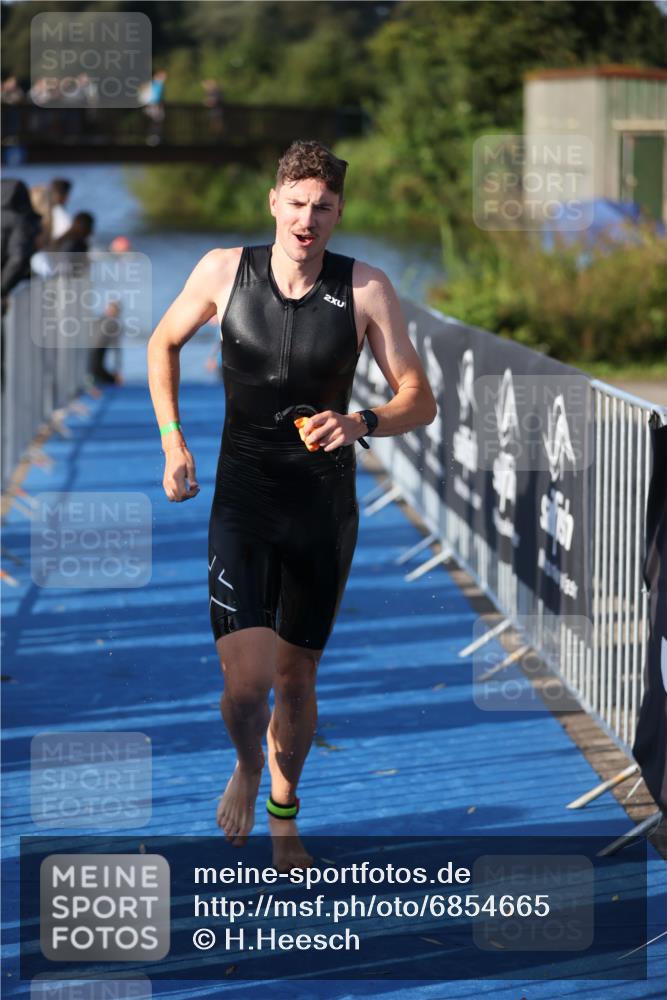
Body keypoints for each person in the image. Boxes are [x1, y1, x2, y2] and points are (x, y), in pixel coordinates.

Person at [147, 140, 437, 870]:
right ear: (274, 202)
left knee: (294, 679)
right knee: (244, 691)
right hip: (242, 498)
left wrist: (359, 422)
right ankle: (247, 763)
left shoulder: (365, 288)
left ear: (339, 212)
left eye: (324, 207)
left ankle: (283, 809)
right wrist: (172, 442)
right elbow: (161, 343)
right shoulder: (222, 270)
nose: (308, 219)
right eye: (297, 204)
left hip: (320, 508)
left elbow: (419, 399)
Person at [88, 301, 123, 385]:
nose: (109, 311)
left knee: (96, 369)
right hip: (91, 347)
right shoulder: (100, 319)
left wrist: (117, 368)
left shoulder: (114, 324)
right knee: (94, 369)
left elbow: (116, 346)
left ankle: (114, 380)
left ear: (117, 312)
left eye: (112, 310)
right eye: (109, 309)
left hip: (100, 348)